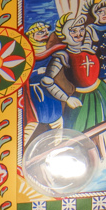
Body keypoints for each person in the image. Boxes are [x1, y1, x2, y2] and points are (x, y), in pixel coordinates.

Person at [21, 22, 82, 154]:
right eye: (40, 32)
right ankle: (16, 155)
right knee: (32, 124)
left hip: (49, 95)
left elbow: (48, 80)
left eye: (45, 31)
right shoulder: (25, 57)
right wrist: (67, 99)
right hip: (35, 95)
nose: (45, 34)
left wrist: (66, 98)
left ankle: (57, 151)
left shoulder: (55, 55)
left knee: (58, 123)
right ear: (31, 36)